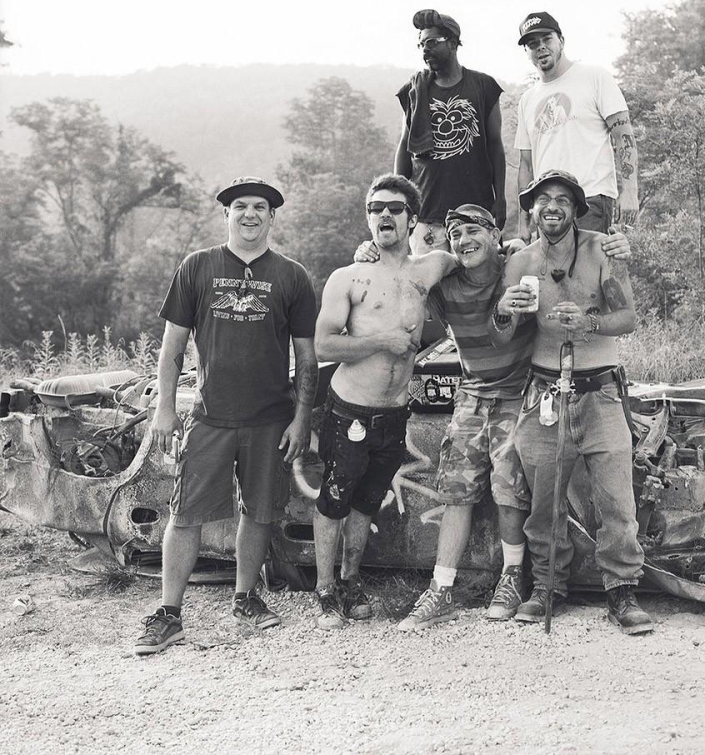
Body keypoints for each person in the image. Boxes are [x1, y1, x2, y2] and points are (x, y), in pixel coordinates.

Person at [355, 207, 631, 632]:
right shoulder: (445, 283)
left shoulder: (516, 267)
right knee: (455, 488)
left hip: (519, 390)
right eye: (455, 233)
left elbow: (557, 264)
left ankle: (511, 578)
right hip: (471, 392)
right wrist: (372, 253)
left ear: (492, 234)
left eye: (473, 231)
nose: (464, 240)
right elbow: (406, 276)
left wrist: (613, 245)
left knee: (510, 486)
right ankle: (441, 587)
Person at [134, 176, 318, 655]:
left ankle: (245, 599)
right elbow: (172, 348)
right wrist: (165, 408)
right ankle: (169, 614)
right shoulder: (198, 266)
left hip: (270, 419)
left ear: (272, 217)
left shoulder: (292, 276)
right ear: (226, 214)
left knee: (258, 513)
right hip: (210, 416)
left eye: (260, 207)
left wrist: (301, 419)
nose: (250, 214)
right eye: (241, 206)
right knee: (186, 512)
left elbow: (308, 358)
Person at [494, 169, 652, 634]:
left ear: (576, 209)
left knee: (616, 499)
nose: (552, 207)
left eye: (563, 199)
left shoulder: (602, 249)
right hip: (543, 390)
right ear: (531, 209)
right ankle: (546, 586)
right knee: (544, 501)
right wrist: (507, 311)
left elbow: (628, 317)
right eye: (542, 199)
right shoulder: (520, 262)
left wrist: (589, 323)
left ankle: (621, 589)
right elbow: (501, 333)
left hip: (599, 390)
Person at [312, 173, 457, 630]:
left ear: (412, 218)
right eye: (376, 209)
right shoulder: (350, 276)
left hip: (393, 413)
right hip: (349, 409)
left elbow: (469, 255)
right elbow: (324, 347)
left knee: (367, 501)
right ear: (368, 219)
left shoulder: (427, 269)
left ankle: (351, 581)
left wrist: (513, 249)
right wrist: (382, 343)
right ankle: (324, 591)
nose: (384, 216)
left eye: (394, 208)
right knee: (335, 499)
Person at [514, 11, 640, 241]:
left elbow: (624, 136)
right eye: (533, 44)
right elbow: (525, 163)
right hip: (547, 207)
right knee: (550, 276)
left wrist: (630, 191)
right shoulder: (527, 100)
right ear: (527, 52)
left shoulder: (594, 77)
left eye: (546, 40)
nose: (540, 47)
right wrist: (524, 220)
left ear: (561, 40)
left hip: (589, 199)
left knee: (588, 274)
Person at [395, 9, 507, 255]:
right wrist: (399, 202)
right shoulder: (414, 90)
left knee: (480, 287)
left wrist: (500, 199)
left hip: (475, 214)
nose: (425, 49)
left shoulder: (483, 86)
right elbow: (404, 148)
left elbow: (496, 146)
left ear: (454, 43)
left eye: (432, 42)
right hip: (427, 216)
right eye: (421, 44)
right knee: (429, 290)